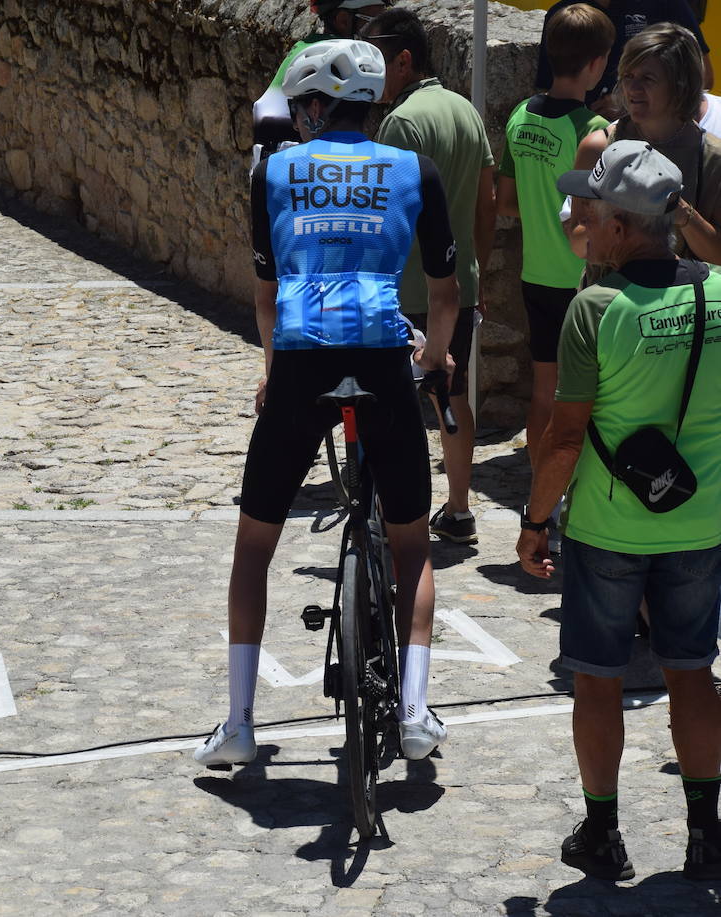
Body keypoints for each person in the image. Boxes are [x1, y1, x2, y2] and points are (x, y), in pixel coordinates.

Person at [194, 39, 460, 769]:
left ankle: (240, 723)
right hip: (381, 349)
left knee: (254, 548)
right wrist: (433, 359)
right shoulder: (415, 170)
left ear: (311, 107)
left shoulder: (273, 170)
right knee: (412, 544)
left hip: (304, 354)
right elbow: (445, 293)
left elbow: (266, 294)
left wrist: (273, 371)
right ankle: (412, 709)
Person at [517, 140, 721, 882]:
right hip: (700, 523)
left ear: (621, 226)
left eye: (591, 209)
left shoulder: (594, 309)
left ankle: (602, 832)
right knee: (692, 673)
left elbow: (566, 437)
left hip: (608, 527)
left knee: (599, 679)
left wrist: (535, 521)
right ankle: (706, 833)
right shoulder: (720, 294)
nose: (580, 217)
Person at [363, 8, 496, 546]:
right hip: (458, 281)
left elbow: (387, 214)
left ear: (405, 59)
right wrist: (474, 267)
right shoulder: (466, 111)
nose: (370, 74)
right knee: (453, 395)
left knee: (396, 402)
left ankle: (401, 510)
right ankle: (460, 508)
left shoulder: (402, 123)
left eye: (378, 61)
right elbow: (486, 202)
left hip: (411, 286)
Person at [497, 5, 613, 474]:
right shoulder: (591, 131)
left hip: (534, 274)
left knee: (545, 387)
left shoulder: (521, 115)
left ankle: (539, 477)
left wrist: (540, 206)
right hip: (579, 279)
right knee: (587, 390)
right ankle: (571, 482)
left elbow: (505, 202)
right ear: (597, 64)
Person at [573, 24, 721, 270]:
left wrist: (683, 213)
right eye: (628, 76)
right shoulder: (598, 147)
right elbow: (577, 242)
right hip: (611, 303)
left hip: (682, 305)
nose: (632, 89)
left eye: (647, 78)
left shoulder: (712, 160)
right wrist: (611, 227)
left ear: (680, 85)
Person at [251, 0, 391, 164]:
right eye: (374, 21)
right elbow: (384, 93)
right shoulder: (335, 56)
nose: (380, 32)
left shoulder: (307, 48)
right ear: (343, 21)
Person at [533, 0, 713, 120]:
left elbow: (703, 78)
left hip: (650, 137)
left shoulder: (665, 4)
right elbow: (548, 86)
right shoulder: (565, 13)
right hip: (578, 136)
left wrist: (630, 101)